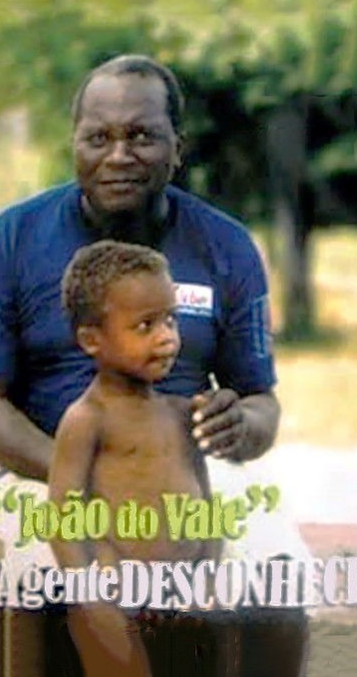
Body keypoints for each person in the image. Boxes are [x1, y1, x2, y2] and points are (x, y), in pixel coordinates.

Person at [0, 54, 307, 676]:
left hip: (193, 476)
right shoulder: (14, 238)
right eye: (99, 137)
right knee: (40, 576)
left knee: (280, 571)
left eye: (141, 136)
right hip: (47, 473)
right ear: (75, 144)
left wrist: (242, 424)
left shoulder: (225, 246)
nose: (118, 155)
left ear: (177, 148)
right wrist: (91, 477)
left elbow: (260, 401)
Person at [52, 239, 221, 676]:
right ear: (92, 339)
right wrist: (90, 599)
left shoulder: (180, 413)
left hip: (184, 593)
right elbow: (63, 516)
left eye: (171, 319)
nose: (167, 337)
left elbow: (205, 502)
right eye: (146, 325)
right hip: (117, 598)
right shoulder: (87, 419)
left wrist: (209, 573)